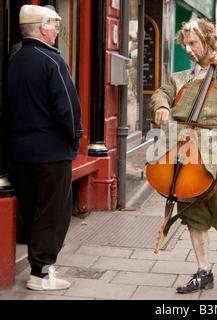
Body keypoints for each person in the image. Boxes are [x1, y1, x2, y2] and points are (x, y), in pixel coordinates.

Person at [148, 18, 217, 293]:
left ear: (209, 42)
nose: (188, 49)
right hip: (188, 154)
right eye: (185, 44)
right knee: (194, 213)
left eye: (193, 43)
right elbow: (162, 92)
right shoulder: (183, 77)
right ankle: (203, 270)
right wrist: (162, 105)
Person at [7, 5, 83, 290]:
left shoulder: (13, 59)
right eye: (53, 24)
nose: (57, 30)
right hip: (51, 153)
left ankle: (37, 266)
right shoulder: (52, 61)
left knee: (32, 210)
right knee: (52, 214)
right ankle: (40, 274)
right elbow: (68, 110)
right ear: (41, 28)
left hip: (20, 152)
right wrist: (75, 137)